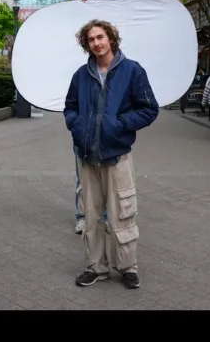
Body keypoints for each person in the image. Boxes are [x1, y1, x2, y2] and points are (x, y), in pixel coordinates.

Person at [64, 19, 159, 290]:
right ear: (87, 44)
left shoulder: (132, 71)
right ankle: (96, 268)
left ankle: (128, 267)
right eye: (91, 39)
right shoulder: (81, 75)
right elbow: (70, 107)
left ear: (111, 39)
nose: (97, 43)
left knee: (122, 216)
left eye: (100, 37)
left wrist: (118, 125)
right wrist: (76, 124)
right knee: (91, 218)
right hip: (87, 158)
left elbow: (149, 109)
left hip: (117, 157)